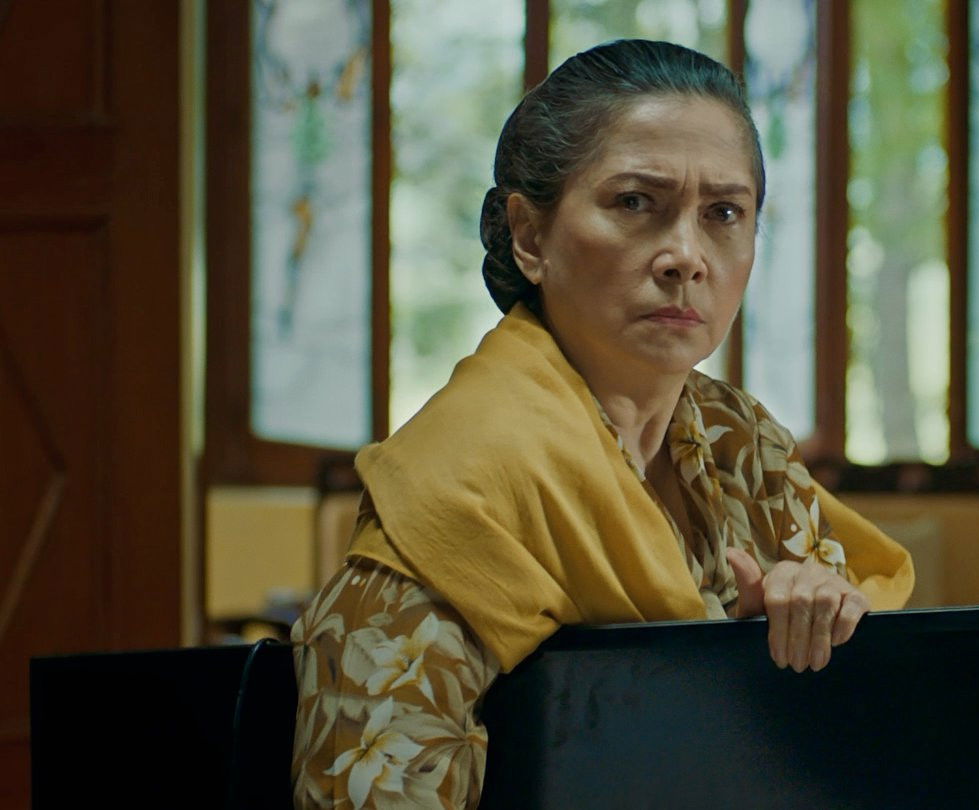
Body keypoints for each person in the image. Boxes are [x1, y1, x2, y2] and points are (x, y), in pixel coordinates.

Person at [290, 39, 914, 809]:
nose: (685, 256)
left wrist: (785, 646)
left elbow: (842, 748)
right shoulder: (460, 487)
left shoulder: (736, 439)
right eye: (634, 203)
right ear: (530, 235)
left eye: (723, 213)